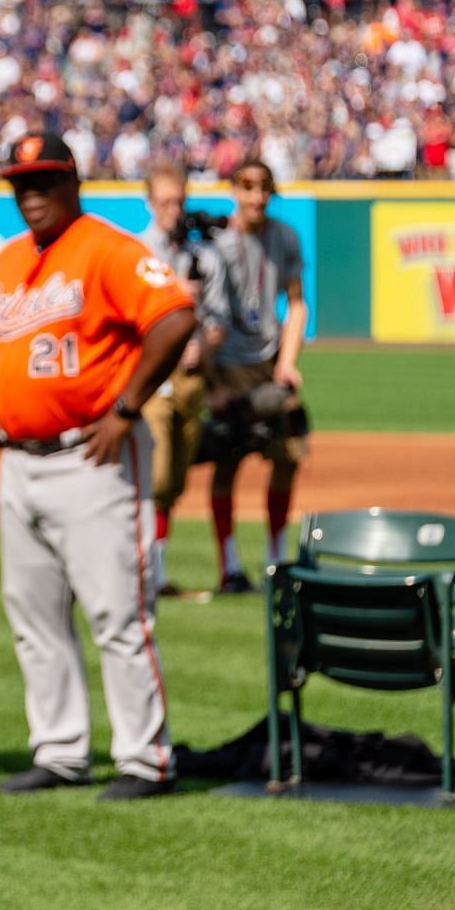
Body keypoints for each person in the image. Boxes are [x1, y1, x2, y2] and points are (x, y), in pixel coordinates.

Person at [0, 132, 194, 801]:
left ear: (73, 183)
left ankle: (145, 758)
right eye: (21, 183)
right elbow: (1, 346)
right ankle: (61, 750)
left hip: (93, 455)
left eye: (44, 180)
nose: (32, 194)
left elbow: (175, 318)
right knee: (34, 614)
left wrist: (127, 408)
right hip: (22, 462)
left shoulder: (107, 247)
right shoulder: (8, 260)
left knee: (117, 612)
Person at [203, 157, 309, 589]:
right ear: (234, 190)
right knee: (226, 462)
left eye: (264, 187)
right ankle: (229, 566)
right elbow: (204, 319)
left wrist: (286, 361)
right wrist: (212, 383)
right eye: (247, 187)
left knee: (290, 453)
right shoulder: (216, 244)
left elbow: (297, 302)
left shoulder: (285, 236)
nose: (256, 196)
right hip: (229, 366)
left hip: (268, 362)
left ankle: (274, 559)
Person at [136, 162, 224, 596]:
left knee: (174, 479)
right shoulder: (135, 251)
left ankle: (159, 570)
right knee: (156, 472)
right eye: (165, 202)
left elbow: (218, 319)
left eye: (179, 201)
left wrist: (203, 346)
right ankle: (144, 570)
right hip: (153, 375)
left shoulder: (203, 256)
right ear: (150, 203)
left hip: (191, 376)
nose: (173, 210)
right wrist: (174, 297)